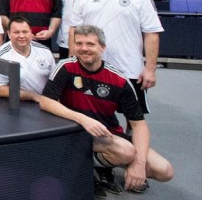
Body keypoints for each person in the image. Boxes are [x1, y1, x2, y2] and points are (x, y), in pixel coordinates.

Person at [40, 25, 173, 195]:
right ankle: (94, 169)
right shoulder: (65, 67)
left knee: (164, 170)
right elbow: (46, 101)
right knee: (125, 152)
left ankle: (100, 164)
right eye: (79, 43)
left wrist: (138, 165)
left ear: (102, 47)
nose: (83, 49)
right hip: (75, 132)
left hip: (107, 134)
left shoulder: (119, 80)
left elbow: (139, 125)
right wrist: (83, 119)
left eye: (90, 44)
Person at [68, 0, 163, 113]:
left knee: (133, 119)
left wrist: (150, 69)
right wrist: (72, 61)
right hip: (89, 67)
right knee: (88, 113)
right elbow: (74, 31)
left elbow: (151, 34)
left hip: (129, 69)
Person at [0, 16, 55, 102]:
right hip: (17, 104)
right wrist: (32, 96)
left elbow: (54, 81)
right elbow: (0, 89)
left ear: (31, 33)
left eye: (25, 32)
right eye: (16, 32)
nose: (21, 36)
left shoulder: (45, 51)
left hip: (45, 102)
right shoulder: (0, 56)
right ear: (9, 34)